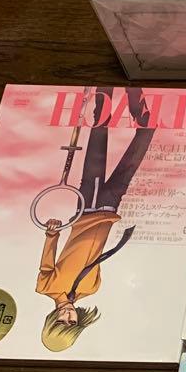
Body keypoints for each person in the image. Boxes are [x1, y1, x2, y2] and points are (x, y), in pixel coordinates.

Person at [37, 87, 155, 352]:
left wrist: (52, 232)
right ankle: (136, 99)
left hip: (87, 207)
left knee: (99, 130)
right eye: (72, 322)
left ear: (51, 319)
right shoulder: (91, 288)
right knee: (147, 132)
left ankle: (105, 89)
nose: (68, 316)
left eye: (61, 320)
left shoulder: (46, 287)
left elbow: (48, 258)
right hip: (111, 206)